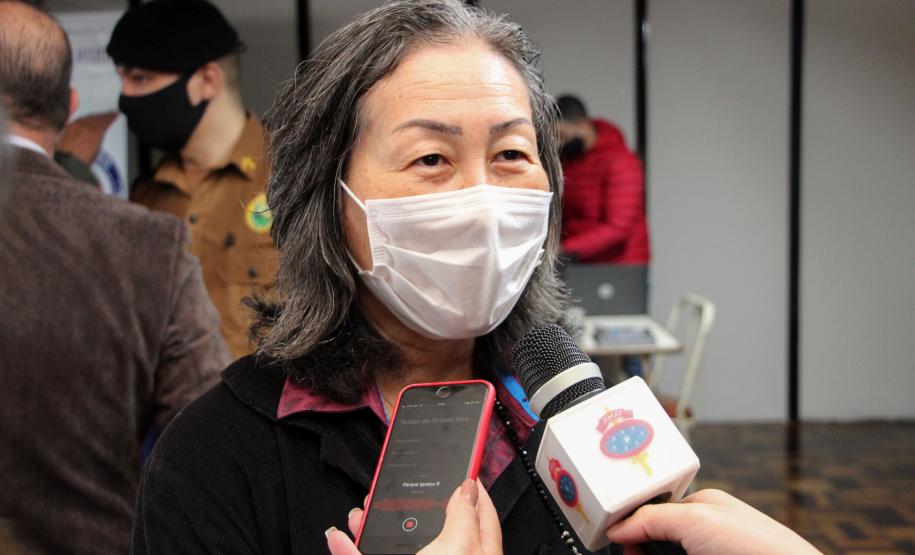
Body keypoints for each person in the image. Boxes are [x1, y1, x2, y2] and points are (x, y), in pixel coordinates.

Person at [130, 1, 592, 553]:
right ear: (329, 199)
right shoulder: (214, 457)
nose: (482, 201)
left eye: (512, 153)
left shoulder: (572, 413)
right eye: (430, 158)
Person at [0, 2, 230, 553]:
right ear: (69, 105)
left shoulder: (279, 183)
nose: (131, 96)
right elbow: (209, 443)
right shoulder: (148, 238)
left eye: (142, 77)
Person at [59, 0, 279, 358]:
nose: (125, 96)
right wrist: (70, 174)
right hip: (169, 413)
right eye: (122, 79)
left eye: (140, 78)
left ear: (207, 81)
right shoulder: (146, 198)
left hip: (260, 411)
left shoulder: (293, 181)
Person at [556, 95, 650, 265]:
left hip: (620, 265)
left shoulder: (620, 161)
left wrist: (565, 249)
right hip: (581, 262)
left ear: (583, 126)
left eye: (562, 135)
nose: (559, 143)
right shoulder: (567, 161)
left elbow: (618, 227)